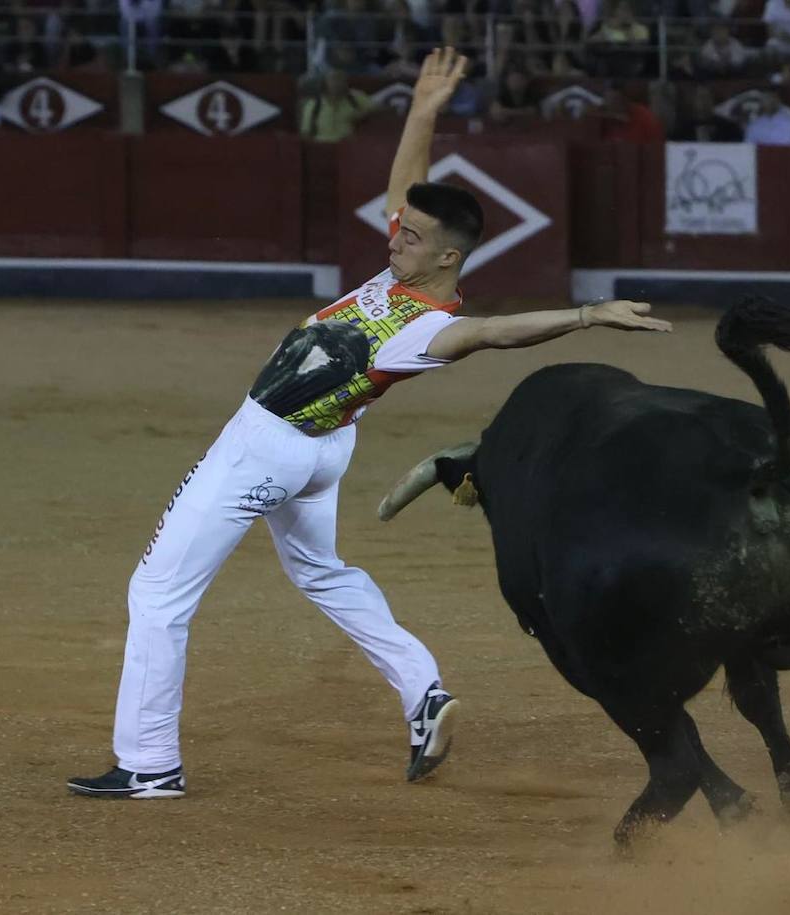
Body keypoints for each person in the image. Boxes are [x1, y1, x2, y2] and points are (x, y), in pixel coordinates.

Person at [66, 47, 670, 800]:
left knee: (158, 592)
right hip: (319, 450)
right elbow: (404, 189)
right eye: (398, 231)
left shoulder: (429, 328)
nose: (393, 239)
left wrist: (584, 315)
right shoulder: (405, 272)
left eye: (410, 237)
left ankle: (151, 762)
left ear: (449, 257)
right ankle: (424, 692)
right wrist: (423, 109)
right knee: (322, 572)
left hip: (265, 446)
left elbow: (492, 332)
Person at [299, 68, 374, 143]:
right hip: (322, 144)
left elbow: (376, 110)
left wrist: (363, 115)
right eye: (334, 79)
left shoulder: (356, 97)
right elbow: (305, 133)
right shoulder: (313, 104)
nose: (338, 83)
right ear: (325, 83)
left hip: (348, 143)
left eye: (341, 79)